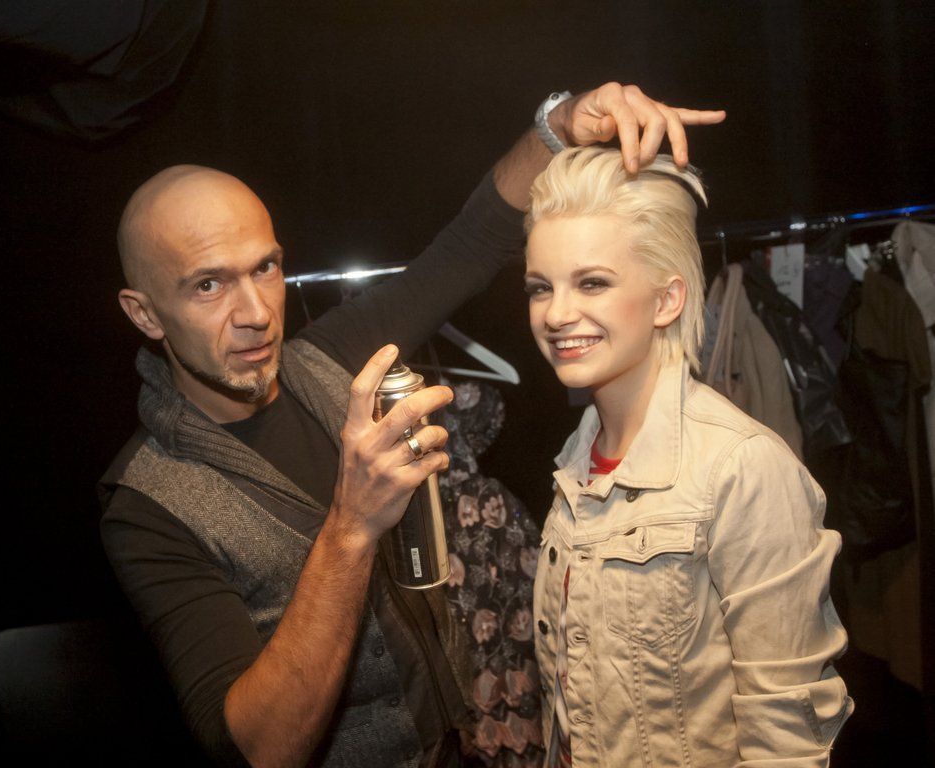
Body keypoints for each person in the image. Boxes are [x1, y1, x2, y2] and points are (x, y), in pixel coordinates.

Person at [99, 85, 725, 768]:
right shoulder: (147, 505)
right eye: (208, 285)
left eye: (266, 268)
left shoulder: (326, 359)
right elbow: (261, 749)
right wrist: (351, 526)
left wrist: (561, 125)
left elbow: (469, 246)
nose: (255, 313)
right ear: (145, 313)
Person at [524, 146, 853, 767]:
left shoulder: (742, 469)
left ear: (667, 300)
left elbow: (787, 739)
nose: (557, 313)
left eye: (592, 282)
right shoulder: (576, 462)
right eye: (541, 287)